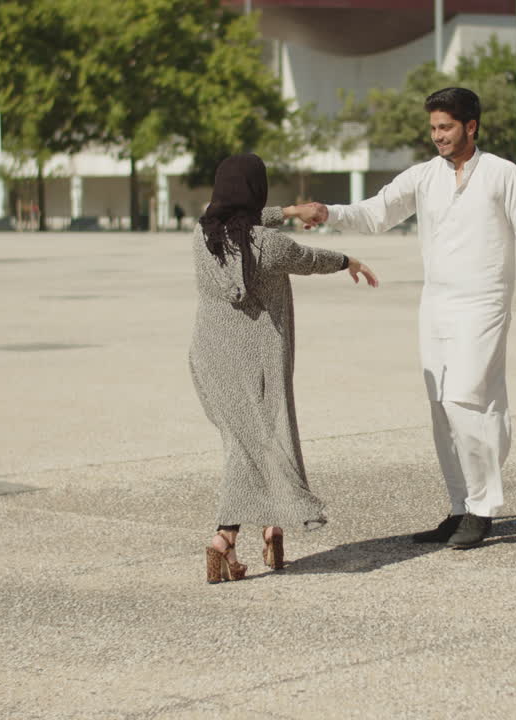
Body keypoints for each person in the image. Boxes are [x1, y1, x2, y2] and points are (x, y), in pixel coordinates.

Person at [296, 87, 516, 549]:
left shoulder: (502, 173)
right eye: (433, 128)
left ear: (471, 126)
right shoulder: (425, 176)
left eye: (446, 127)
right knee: (440, 407)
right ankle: (458, 507)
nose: (438, 136)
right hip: (435, 303)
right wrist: (328, 212)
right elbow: (376, 213)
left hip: (484, 300)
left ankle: (483, 509)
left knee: (465, 400)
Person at [190, 153, 379, 584]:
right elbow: (309, 258)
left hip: (208, 358)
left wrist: (292, 212)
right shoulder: (270, 246)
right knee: (261, 443)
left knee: (245, 443)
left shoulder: (202, 235)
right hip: (259, 361)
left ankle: (265, 531)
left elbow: (246, 218)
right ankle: (227, 537)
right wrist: (348, 260)